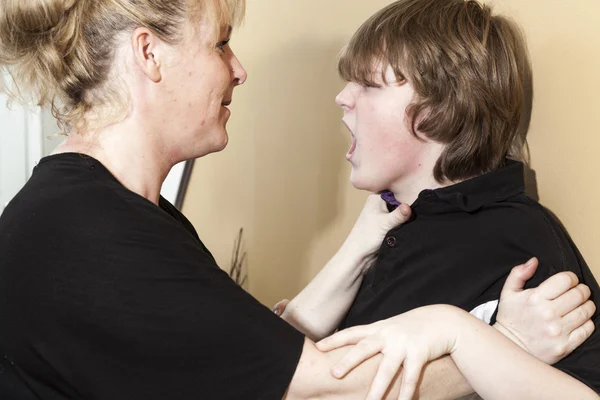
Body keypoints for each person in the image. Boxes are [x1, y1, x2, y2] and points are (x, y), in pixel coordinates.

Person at [0, 0, 596, 399]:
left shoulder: (119, 216)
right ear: (149, 54)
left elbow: (239, 357)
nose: (238, 69)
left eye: (366, 83)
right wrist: (503, 344)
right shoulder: (87, 233)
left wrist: (357, 251)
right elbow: (312, 387)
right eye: (222, 43)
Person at [278, 0, 600, 398]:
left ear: (439, 109)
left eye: (369, 84)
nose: (343, 97)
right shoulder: (399, 227)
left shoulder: (516, 239)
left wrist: (483, 339)